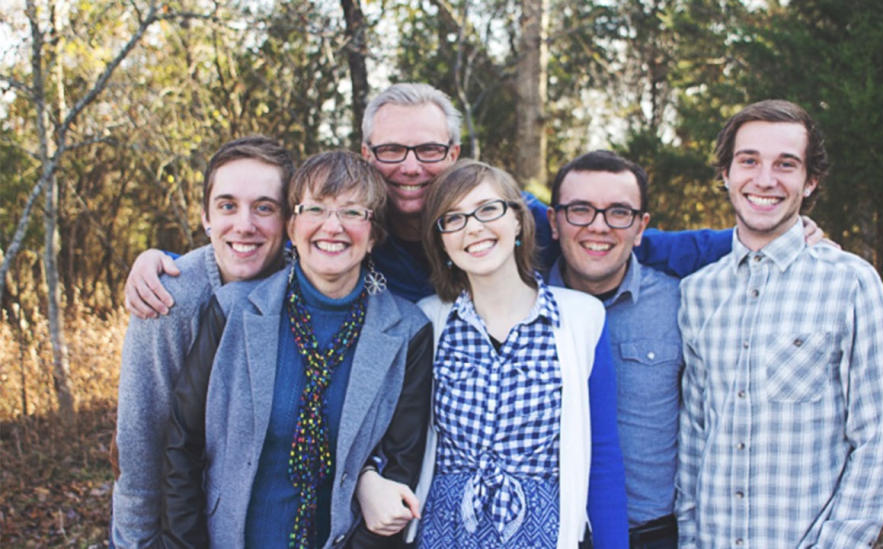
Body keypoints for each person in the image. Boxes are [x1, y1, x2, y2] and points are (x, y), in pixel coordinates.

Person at [122, 83, 735, 313]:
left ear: (455, 151)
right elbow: (257, 241)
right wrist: (166, 263)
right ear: (367, 154)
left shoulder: (499, 216)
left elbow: (619, 237)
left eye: (429, 151)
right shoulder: (347, 225)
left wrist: (750, 238)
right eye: (391, 151)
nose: (410, 168)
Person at [161, 150, 433, 548]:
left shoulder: (408, 333)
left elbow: (399, 472)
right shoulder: (233, 311)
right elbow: (182, 446)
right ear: (291, 227)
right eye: (315, 209)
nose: (332, 226)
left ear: (374, 234)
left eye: (353, 213)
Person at [675, 100, 883, 547]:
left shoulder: (852, 284)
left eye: (786, 164)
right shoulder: (698, 293)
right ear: (725, 173)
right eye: (749, 161)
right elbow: (695, 438)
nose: (765, 180)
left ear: (810, 180)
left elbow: (880, 445)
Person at [409, 160, 629, 548]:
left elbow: (603, 457)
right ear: (441, 241)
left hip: (542, 532)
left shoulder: (581, 318)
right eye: (454, 219)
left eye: (488, 209)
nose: (473, 227)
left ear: (517, 221)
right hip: (446, 530)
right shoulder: (428, 319)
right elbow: (396, 438)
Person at [112, 135, 294, 548]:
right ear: (205, 217)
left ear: (288, 220)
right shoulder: (169, 300)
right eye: (227, 206)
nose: (244, 224)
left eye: (264, 208)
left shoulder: (308, 284)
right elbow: (141, 442)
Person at [546, 150, 681, 548]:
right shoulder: (520, 306)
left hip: (652, 535)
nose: (599, 227)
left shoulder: (680, 305)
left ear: (641, 228)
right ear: (554, 222)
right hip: (547, 534)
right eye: (580, 210)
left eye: (619, 213)